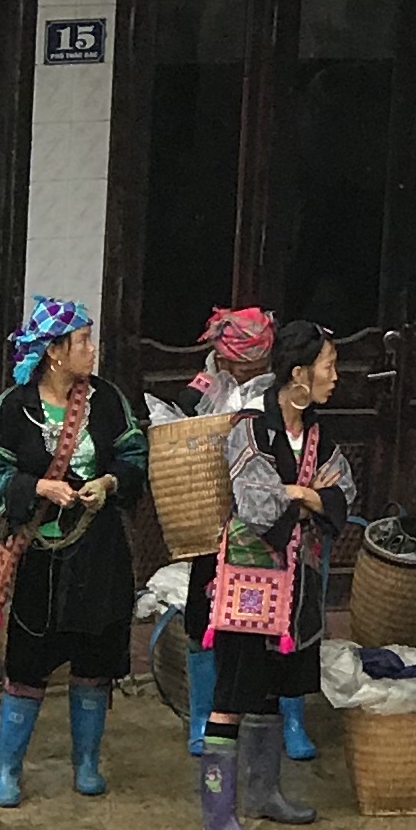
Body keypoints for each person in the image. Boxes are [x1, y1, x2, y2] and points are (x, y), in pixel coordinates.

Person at [196, 319, 355, 830]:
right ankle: (219, 819)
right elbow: (257, 503)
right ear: (299, 374)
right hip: (249, 580)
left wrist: (300, 494)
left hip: (295, 579)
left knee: (270, 688)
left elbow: (344, 492)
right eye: (329, 366)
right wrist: (310, 495)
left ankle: (265, 793)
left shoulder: (319, 433)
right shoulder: (251, 429)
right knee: (232, 695)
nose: (335, 376)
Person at [0, 297, 148, 808]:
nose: (92, 350)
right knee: (27, 660)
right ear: (54, 352)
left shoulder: (108, 400)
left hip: (98, 551)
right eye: (82, 341)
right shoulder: (14, 407)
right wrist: (38, 487)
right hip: (40, 554)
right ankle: (7, 768)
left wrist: (108, 483)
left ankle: (87, 762)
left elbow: (135, 454)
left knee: (95, 656)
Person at [164, 306, 283, 763]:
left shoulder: (280, 394)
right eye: (234, 361)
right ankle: (202, 715)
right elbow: (178, 425)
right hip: (211, 518)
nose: (241, 369)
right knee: (202, 615)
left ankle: (284, 718)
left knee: (277, 619)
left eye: (251, 362)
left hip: (264, 524)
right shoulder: (207, 385)